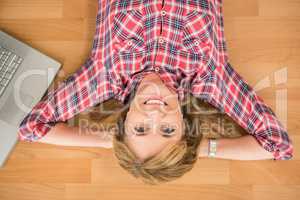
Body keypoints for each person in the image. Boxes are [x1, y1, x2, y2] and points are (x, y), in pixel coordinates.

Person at [18, 0, 293, 185]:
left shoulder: (104, 75)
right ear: (185, 127)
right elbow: (277, 146)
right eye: (167, 131)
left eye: (139, 129)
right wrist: (201, 148)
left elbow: (32, 128)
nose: (154, 113)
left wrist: (112, 142)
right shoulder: (210, 77)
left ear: (123, 124)